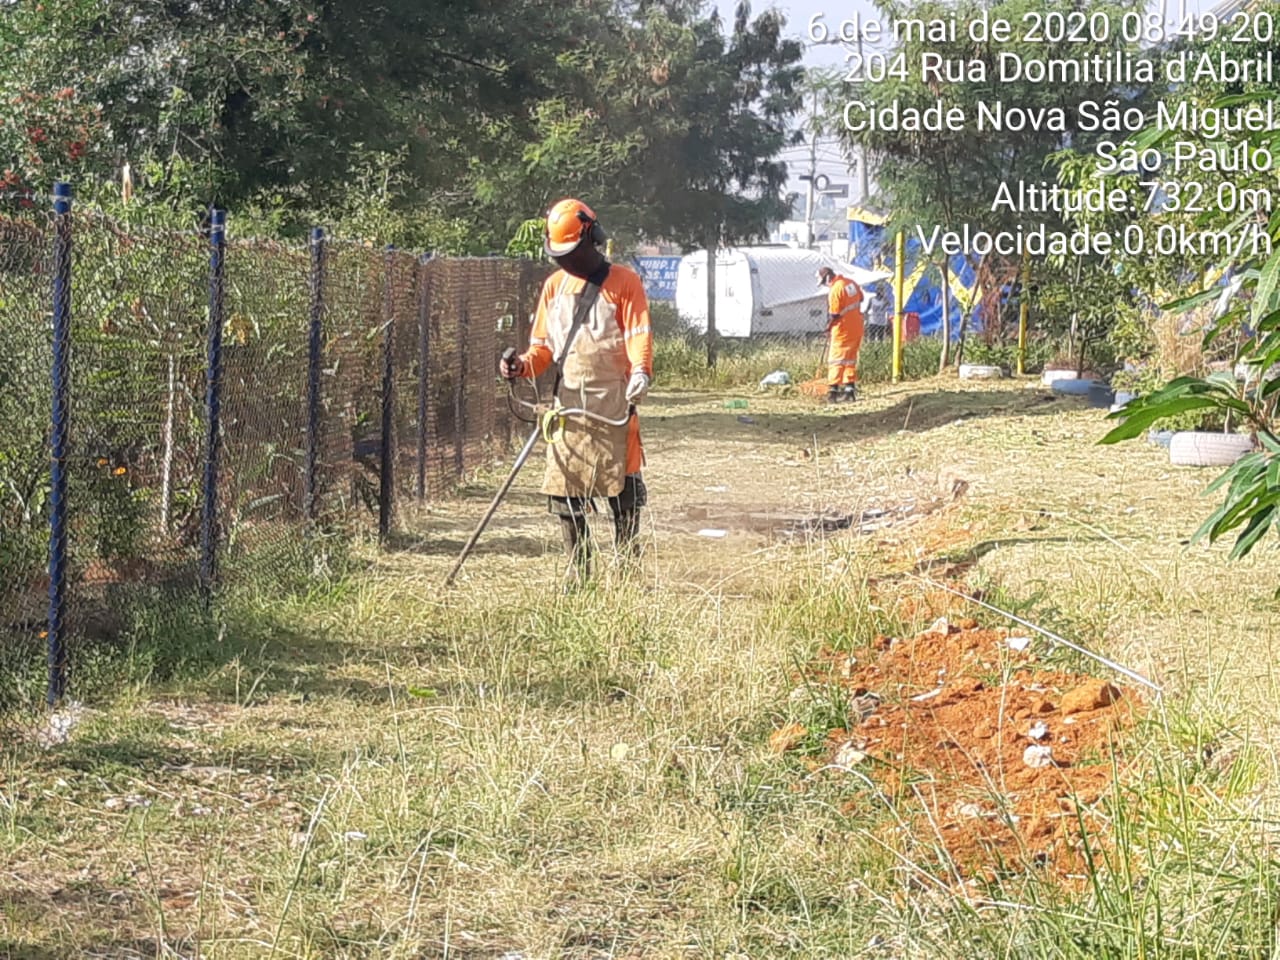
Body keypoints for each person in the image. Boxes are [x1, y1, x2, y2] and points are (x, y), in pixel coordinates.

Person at [499, 198, 654, 586]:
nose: (564, 262)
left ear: (592, 238)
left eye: (570, 253)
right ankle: (579, 570)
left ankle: (627, 567)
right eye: (559, 255)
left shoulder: (625, 283)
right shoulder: (554, 287)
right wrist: (520, 365)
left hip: (614, 402)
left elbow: (638, 334)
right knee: (565, 489)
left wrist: (641, 372)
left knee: (623, 488)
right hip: (567, 406)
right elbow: (543, 350)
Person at [817, 266, 864, 403]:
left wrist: (828, 328)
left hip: (842, 330)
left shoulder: (835, 290)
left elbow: (835, 314)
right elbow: (860, 298)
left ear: (827, 277)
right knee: (850, 359)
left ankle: (833, 392)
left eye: (824, 282)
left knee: (836, 360)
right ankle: (849, 391)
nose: (825, 285)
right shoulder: (851, 283)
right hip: (856, 327)